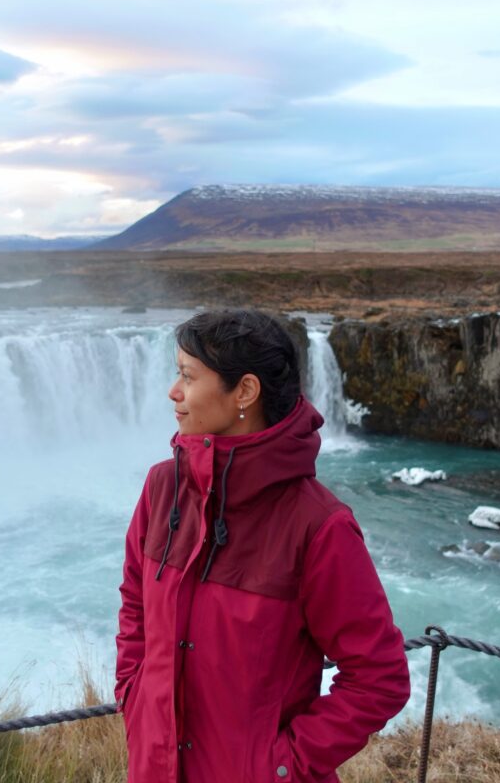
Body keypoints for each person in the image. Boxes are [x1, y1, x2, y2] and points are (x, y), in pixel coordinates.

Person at [115, 309, 411, 782]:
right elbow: (135, 604)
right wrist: (133, 696)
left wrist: (279, 768)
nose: (173, 392)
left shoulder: (318, 526)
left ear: (245, 392)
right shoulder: (162, 488)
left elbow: (380, 678)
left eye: (188, 377)